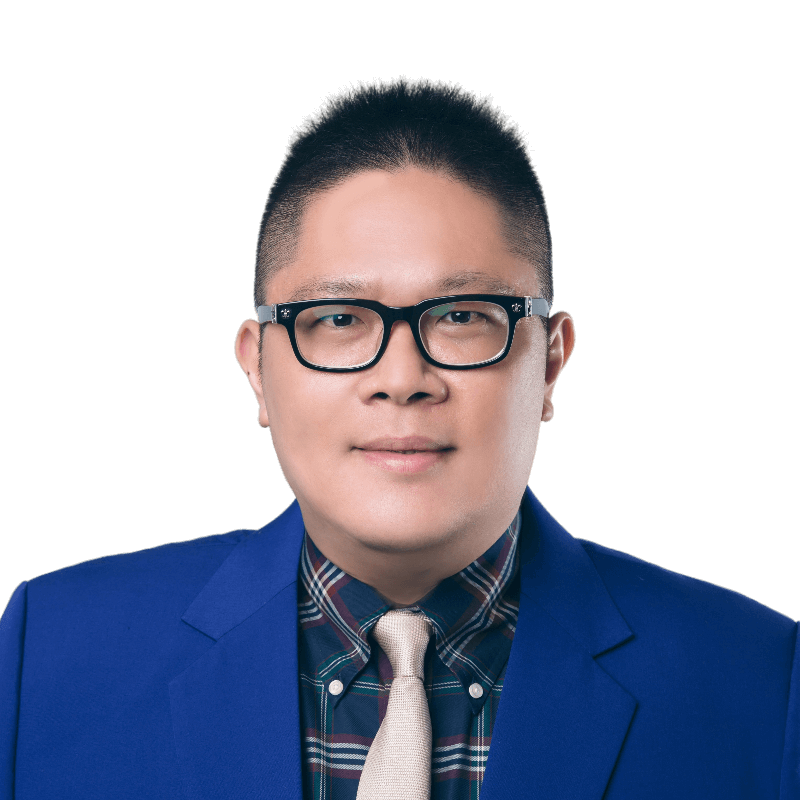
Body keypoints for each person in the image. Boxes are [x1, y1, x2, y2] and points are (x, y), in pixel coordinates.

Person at [1, 77, 797, 800]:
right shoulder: (45, 655)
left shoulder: (762, 679)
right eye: (339, 319)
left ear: (551, 365)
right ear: (257, 370)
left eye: (462, 316)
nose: (402, 376)